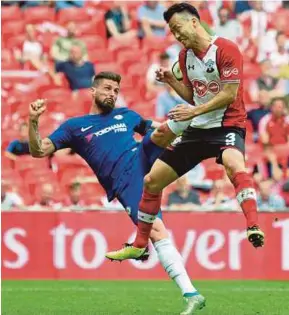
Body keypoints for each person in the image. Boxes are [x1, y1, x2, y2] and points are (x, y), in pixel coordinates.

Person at [28, 71, 205, 314]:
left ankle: (208, 115)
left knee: (162, 131)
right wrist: (33, 122)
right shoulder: (75, 127)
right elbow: (39, 151)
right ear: (93, 91)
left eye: (115, 91)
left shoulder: (126, 115)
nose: (112, 94)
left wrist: (185, 127)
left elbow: (154, 127)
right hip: (126, 181)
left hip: (142, 157)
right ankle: (191, 293)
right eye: (107, 89)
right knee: (157, 231)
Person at [107, 2, 265, 263]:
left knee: (234, 164)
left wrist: (193, 112)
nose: (177, 35)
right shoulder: (184, 57)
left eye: (178, 28)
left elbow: (229, 94)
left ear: (194, 21)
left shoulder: (226, 49)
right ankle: (140, 243)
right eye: (172, 32)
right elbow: (193, 95)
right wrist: (171, 80)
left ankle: (253, 225)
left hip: (227, 125)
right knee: (151, 182)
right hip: (198, 129)